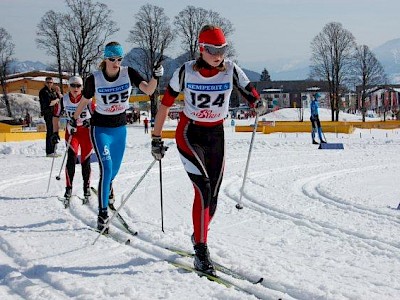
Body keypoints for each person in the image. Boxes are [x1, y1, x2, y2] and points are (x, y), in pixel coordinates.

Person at [151, 25, 266, 276]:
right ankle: (201, 251)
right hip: (189, 133)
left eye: (223, 49)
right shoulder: (185, 72)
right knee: (202, 187)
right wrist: (156, 138)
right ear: (202, 48)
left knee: (213, 196)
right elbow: (164, 105)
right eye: (213, 49)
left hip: (216, 135)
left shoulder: (231, 70)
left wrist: (258, 103)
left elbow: (251, 93)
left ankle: (198, 235)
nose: (218, 54)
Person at [72, 41, 163, 233]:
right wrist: (74, 118)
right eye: (112, 59)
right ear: (105, 59)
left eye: (119, 59)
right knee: (107, 168)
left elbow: (148, 90)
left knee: (114, 172)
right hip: (101, 130)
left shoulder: (127, 73)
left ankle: (108, 187)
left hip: (120, 130)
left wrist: (155, 76)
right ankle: (102, 214)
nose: (116, 63)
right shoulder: (94, 79)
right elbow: (85, 100)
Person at [51, 76, 95, 204]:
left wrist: (89, 121)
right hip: (72, 133)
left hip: (86, 133)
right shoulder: (63, 100)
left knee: (85, 161)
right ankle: (68, 188)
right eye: (73, 85)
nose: (76, 88)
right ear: (68, 86)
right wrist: (54, 133)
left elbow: (96, 115)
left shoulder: (88, 99)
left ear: (82, 87)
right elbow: (55, 116)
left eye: (78, 86)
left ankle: (86, 187)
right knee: (71, 158)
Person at [39, 77, 62, 157]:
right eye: (48, 82)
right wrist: (57, 99)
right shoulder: (43, 92)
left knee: (54, 132)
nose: (49, 84)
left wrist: (58, 93)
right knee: (50, 131)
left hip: (54, 114)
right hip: (48, 113)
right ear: (45, 83)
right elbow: (50, 103)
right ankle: (49, 151)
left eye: (51, 82)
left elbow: (61, 98)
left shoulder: (53, 91)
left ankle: (53, 150)